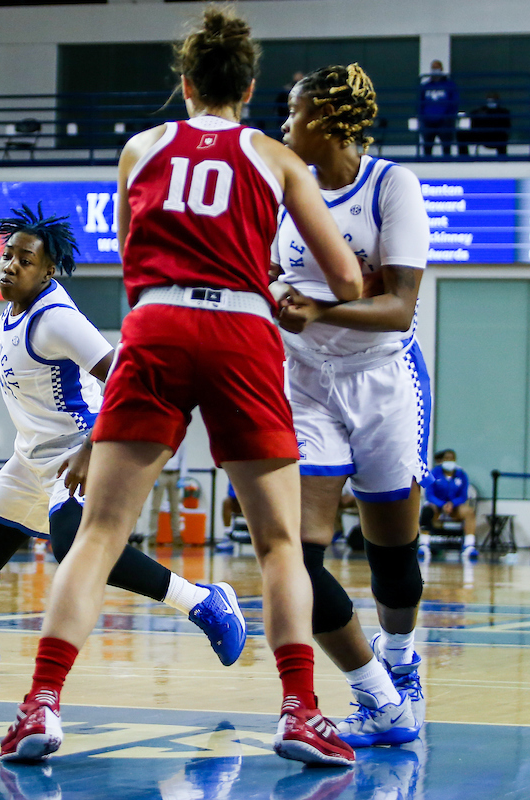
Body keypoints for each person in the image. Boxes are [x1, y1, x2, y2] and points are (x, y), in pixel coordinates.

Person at [0, 7, 362, 767]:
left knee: (97, 537)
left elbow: (137, 268)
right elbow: (350, 277)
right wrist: (277, 285)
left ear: (187, 83)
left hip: (157, 325)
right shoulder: (273, 155)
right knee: (278, 545)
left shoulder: (141, 148)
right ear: (250, 86)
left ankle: (40, 706)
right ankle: (300, 712)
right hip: (240, 329)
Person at [0, 205, 247, 674]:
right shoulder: (15, 310)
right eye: (8, 256)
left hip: (79, 451)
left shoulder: (59, 320)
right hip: (31, 459)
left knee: (76, 549)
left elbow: (124, 379)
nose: (11, 266)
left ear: (48, 269)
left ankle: (202, 601)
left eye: (26, 260)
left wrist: (91, 448)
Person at [273, 63, 431, 749]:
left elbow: (398, 309)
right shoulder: (284, 192)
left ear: (330, 119)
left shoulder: (392, 185)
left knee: (390, 555)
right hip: (306, 385)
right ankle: (376, 696)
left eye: (294, 111)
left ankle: (402, 662)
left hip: (384, 382)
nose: (283, 124)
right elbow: (272, 282)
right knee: (296, 556)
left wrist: (322, 306)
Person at [422, 448, 475, 556]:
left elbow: (463, 495)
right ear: (442, 460)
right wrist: (442, 504)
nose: (449, 461)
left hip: (454, 506)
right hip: (438, 505)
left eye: (451, 459)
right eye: (446, 458)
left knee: (468, 512)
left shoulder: (461, 475)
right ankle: (424, 544)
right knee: (427, 511)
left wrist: (452, 504)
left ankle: (469, 546)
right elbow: (429, 494)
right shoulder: (434, 473)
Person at [417, 60, 458, 157]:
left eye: (437, 67)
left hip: (444, 121)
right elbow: (420, 103)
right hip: (428, 121)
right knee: (427, 147)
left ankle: (447, 164)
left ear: (442, 69)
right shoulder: (426, 86)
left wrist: (449, 117)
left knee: (446, 147)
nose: (435, 70)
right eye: (433, 68)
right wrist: (422, 117)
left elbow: (454, 102)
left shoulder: (450, 85)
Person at [148, 439, 186, 541]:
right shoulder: (161, 438)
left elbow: (183, 459)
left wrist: (182, 477)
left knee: (175, 508)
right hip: (161, 473)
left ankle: (177, 536)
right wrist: (153, 475)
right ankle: (152, 535)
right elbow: (154, 457)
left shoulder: (181, 440)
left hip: (175, 474)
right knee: (155, 506)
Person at [459, 93, 511, 157]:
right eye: (489, 100)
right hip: (482, 136)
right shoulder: (480, 112)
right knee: (461, 134)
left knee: (502, 137)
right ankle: (464, 158)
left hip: (497, 137)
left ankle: (502, 157)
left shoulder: (503, 112)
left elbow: (507, 127)